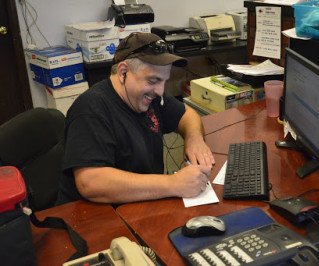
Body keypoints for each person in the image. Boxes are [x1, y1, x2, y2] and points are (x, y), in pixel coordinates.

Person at [56, 32, 215, 205]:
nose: (160, 91)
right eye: (153, 80)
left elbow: (187, 114)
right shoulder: (90, 109)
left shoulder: (148, 96)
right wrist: (173, 184)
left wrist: (194, 139)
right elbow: (90, 182)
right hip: (94, 218)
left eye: (164, 81)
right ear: (123, 72)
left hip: (140, 205)